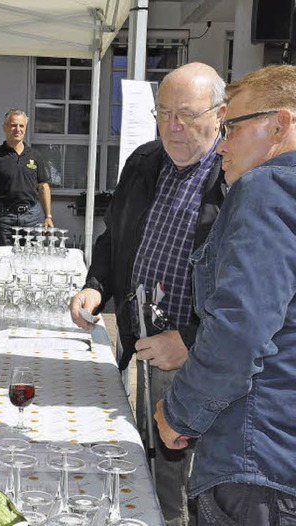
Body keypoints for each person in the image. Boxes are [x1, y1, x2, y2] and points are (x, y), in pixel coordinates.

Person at [69, 63, 227, 526]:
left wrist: (192, 338)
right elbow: (113, 237)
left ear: (219, 115)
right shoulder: (144, 160)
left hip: (198, 359)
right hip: (146, 345)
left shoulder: (235, 178)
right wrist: (96, 286)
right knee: (152, 467)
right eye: (163, 113)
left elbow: (252, 293)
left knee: (190, 485)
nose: (172, 126)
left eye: (186, 114)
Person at [154, 64, 296, 526]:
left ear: (281, 124)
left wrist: (179, 413)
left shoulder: (266, 186)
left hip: (256, 462)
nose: (221, 146)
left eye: (232, 126)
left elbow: (240, 330)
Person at [0, 109, 53, 245]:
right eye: (13, 125)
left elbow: (43, 187)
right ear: (5, 127)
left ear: (25, 128)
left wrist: (48, 216)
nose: (17, 129)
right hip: (4, 217)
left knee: (31, 261)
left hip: (32, 217)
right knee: (3, 260)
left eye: (21, 126)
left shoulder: (36, 156)